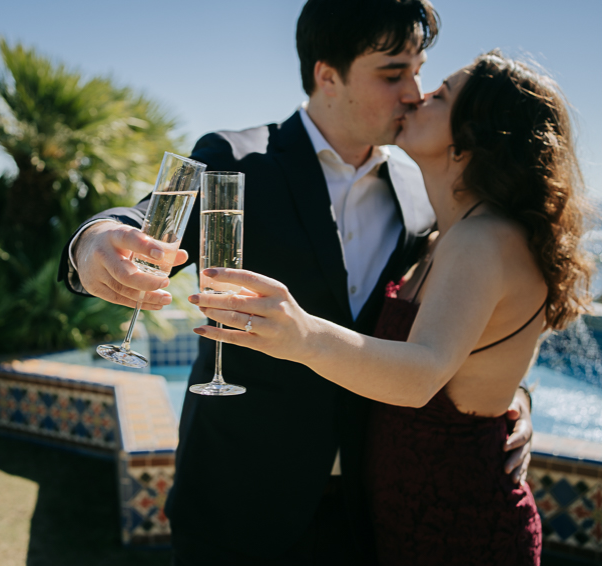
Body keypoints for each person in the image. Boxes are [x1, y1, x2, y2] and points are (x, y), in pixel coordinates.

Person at [57, 0, 534, 564]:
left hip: (364, 514)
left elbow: (461, 318)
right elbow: (149, 214)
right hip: (238, 504)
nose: (412, 92)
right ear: (327, 75)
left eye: (418, 73)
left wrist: (511, 397)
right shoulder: (239, 157)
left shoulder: (419, 200)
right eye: (392, 73)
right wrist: (92, 243)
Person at [192, 52, 594, 565]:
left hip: (459, 521)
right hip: (399, 516)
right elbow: (475, 350)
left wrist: (303, 336)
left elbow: (425, 372)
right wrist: (515, 395)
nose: (418, 94)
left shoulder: (484, 239)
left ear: (469, 139)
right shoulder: (438, 235)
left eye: (441, 94)